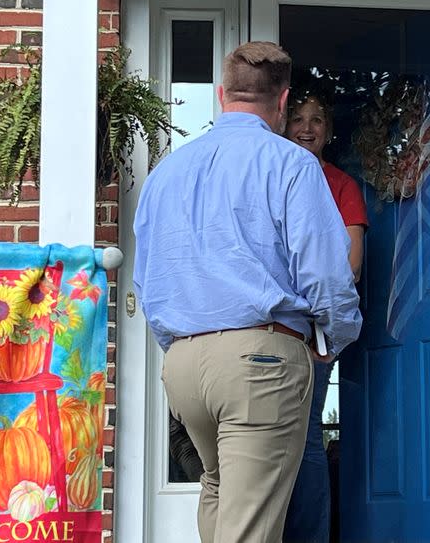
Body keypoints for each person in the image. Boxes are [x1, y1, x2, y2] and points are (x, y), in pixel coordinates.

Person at [133, 42, 362, 543]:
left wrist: (179, 350)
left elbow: (147, 285)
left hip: (186, 365)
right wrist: (335, 339)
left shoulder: (166, 173)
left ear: (221, 95)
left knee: (219, 498)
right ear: (281, 103)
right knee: (249, 528)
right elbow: (327, 276)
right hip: (261, 362)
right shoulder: (292, 165)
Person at [282, 91, 368, 543]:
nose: (307, 127)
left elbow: (351, 264)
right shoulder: (271, 176)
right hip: (269, 327)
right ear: (282, 122)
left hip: (314, 326)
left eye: (317, 120)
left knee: (305, 434)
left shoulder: (340, 186)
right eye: (297, 118)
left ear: (330, 132)